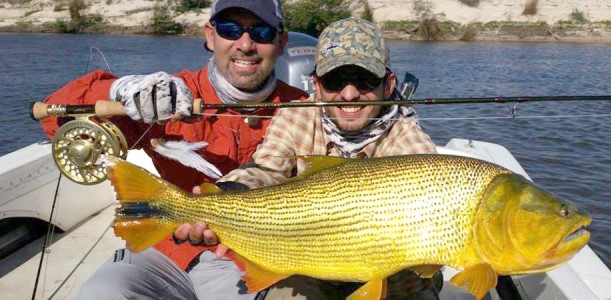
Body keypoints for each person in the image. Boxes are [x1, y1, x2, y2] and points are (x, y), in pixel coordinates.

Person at [40, 1, 308, 299]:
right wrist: (118, 90)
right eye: (230, 30)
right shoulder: (166, 95)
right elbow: (54, 120)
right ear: (210, 36)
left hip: (250, 258)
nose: (244, 45)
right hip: (166, 248)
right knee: (101, 293)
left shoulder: (304, 110)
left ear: (281, 41)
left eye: (260, 31)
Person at [176, 18, 442, 299]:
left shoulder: (409, 141)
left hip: (392, 269)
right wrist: (225, 195)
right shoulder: (297, 115)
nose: (349, 95)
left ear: (388, 85)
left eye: (365, 81)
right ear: (316, 84)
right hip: (307, 261)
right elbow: (266, 170)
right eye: (334, 82)